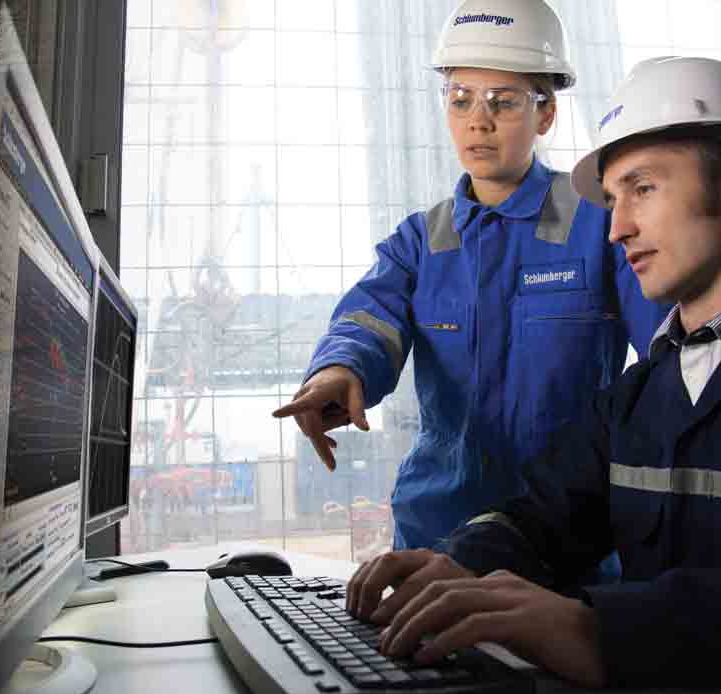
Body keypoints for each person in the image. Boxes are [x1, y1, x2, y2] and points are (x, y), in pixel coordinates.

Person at [345, 55, 721, 689]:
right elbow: (546, 514)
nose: (616, 229)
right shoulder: (641, 400)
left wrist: (598, 629)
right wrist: (457, 564)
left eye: (643, 188)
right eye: (613, 200)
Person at [272, 0, 670, 553]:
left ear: (546, 114)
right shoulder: (421, 242)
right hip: (438, 529)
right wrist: (339, 370)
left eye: (502, 102)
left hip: (568, 532)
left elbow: (671, 353)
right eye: (460, 100)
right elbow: (367, 320)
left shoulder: (599, 225)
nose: (477, 121)